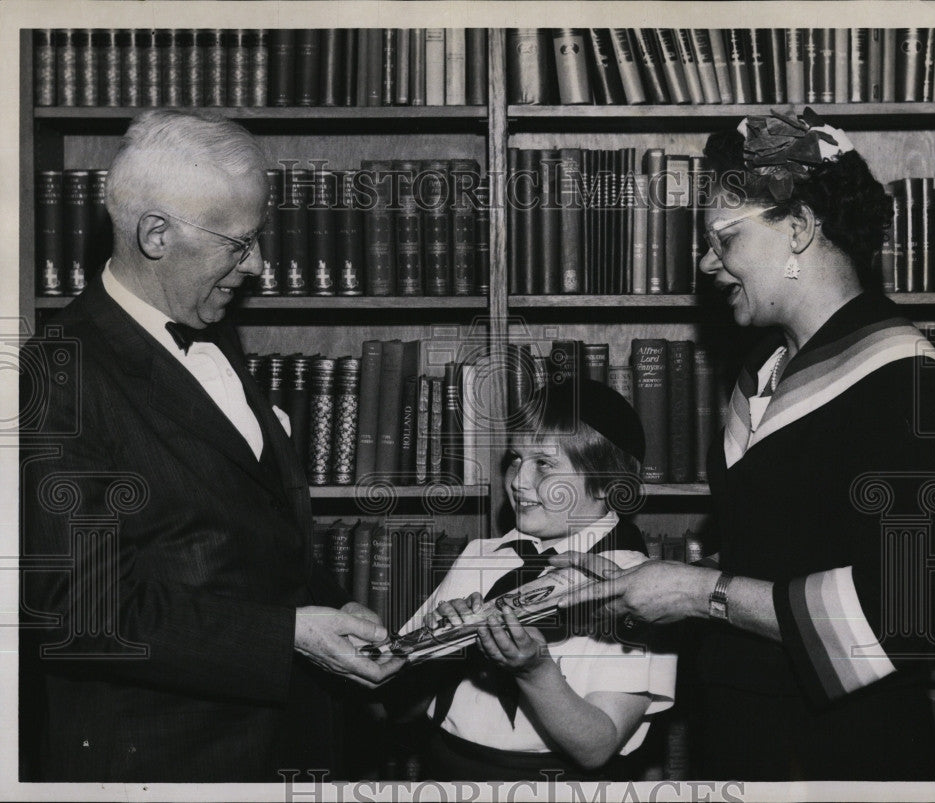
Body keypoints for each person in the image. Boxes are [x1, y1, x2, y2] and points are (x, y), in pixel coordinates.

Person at [554, 109, 935, 781]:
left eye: (724, 238)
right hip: (746, 738)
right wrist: (639, 583)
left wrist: (697, 591)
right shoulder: (765, 372)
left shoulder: (907, 384)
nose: (708, 263)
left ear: (799, 228)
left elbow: (900, 617)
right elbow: (790, 547)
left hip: (844, 754)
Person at [19, 109, 403, 782]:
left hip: (281, 751)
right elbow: (78, 609)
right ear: (157, 234)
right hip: (166, 766)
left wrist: (331, 605)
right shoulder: (58, 373)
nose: (258, 264)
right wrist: (289, 635)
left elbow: (244, 527)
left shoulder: (212, 326)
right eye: (239, 243)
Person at [394, 379, 676, 781]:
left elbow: (597, 747)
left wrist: (535, 671)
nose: (518, 481)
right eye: (515, 458)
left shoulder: (637, 584)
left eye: (544, 464)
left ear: (607, 479)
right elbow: (403, 709)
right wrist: (436, 648)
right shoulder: (479, 555)